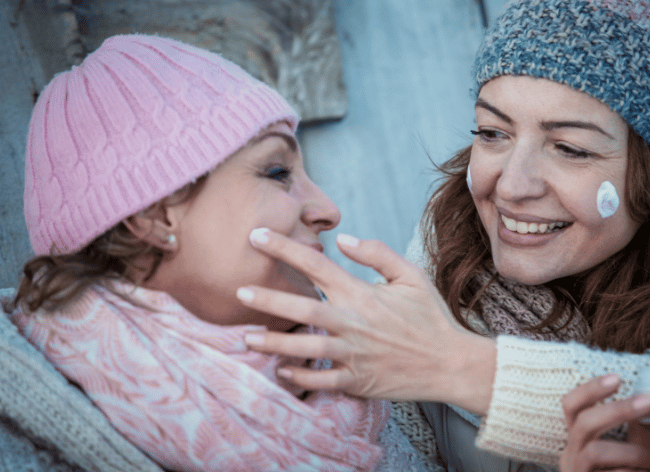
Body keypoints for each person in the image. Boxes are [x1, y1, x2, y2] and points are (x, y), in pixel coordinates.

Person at [238, 0, 650, 470]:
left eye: (571, 148)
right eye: (493, 133)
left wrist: (455, 365)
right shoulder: (436, 269)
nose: (511, 186)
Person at [7, 34, 442, 472]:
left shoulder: (371, 375)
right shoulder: (31, 429)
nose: (328, 211)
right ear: (155, 218)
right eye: (277, 172)